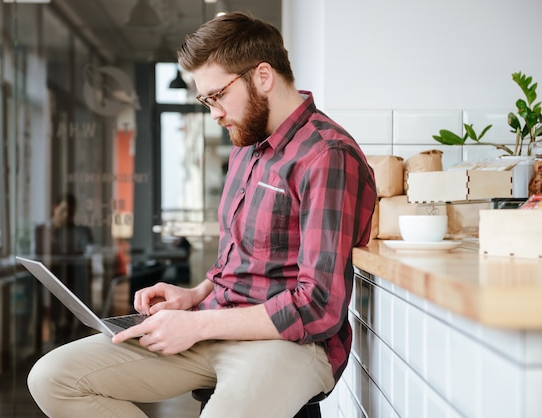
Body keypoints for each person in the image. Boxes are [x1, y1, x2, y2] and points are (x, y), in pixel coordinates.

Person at [27, 12, 376, 418]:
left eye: (217, 96)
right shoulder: (247, 144)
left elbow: (318, 307)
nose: (214, 112)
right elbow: (244, 256)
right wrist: (195, 295)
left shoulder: (326, 155)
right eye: (205, 100)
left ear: (263, 77)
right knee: (52, 377)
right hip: (215, 324)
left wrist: (196, 325)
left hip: (291, 344)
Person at [35, 192, 94, 341]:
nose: (67, 216)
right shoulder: (42, 231)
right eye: (63, 211)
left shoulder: (79, 232)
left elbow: (89, 250)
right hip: (49, 279)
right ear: (54, 208)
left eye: (71, 212)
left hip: (72, 279)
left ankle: (70, 333)